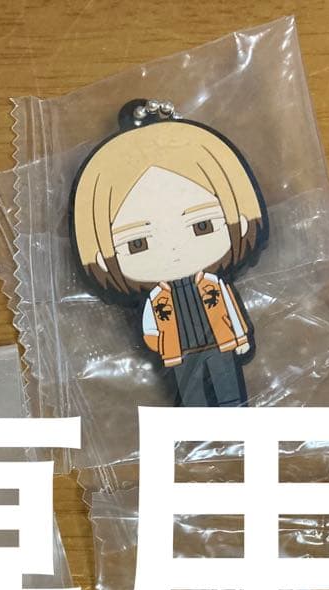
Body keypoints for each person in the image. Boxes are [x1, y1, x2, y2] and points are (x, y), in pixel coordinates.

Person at [70, 100, 267, 406]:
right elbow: (150, 327)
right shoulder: (157, 299)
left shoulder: (214, 285)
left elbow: (231, 309)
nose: (174, 248)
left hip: (221, 343)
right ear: (101, 257)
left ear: (239, 221)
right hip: (180, 354)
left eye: (202, 225)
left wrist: (240, 339)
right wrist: (162, 344)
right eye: (137, 243)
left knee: (227, 384)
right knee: (192, 394)